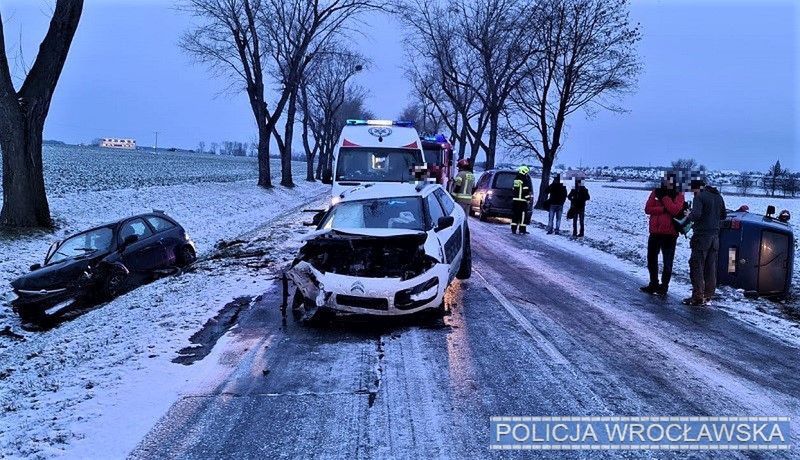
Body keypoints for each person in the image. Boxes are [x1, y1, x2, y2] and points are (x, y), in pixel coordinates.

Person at [683, 176, 726, 306]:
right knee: (710, 268)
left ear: (696, 187)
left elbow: (696, 215)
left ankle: (697, 296)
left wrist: (687, 215)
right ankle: (708, 295)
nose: (692, 192)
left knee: (697, 266)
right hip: (715, 238)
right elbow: (723, 215)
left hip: (702, 237)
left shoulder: (699, 196)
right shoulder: (718, 196)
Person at [641, 172, 685, 296]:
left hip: (670, 234)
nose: (668, 183)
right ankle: (653, 283)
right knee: (651, 259)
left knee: (667, 261)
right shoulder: (656, 192)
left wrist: (664, 199)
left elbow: (675, 210)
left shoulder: (679, 194)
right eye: (666, 181)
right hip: (655, 232)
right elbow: (648, 209)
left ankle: (664, 286)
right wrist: (663, 209)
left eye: (670, 181)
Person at [511, 165, 532, 234]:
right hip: (522, 201)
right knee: (522, 216)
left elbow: (514, 189)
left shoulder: (516, 179)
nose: (527, 174)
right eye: (526, 172)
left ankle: (513, 229)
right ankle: (522, 230)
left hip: (515, 200)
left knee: (515, 215)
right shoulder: (524, 179)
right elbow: (525, 190)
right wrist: (528, 199)